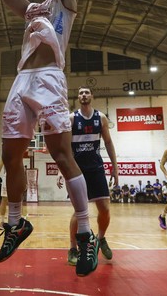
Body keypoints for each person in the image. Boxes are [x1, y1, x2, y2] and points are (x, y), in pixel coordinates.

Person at [0, 0, 98, 277]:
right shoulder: (33, 9)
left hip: (51, 81)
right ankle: (17, 221)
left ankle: (86, 232)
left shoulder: (65, 4)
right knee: (10, 156)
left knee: (61, 154)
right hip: (22, 81)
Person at [66, 86, 119, 266]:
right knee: (79, 211)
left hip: (96, 168)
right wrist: (61, 170)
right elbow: (65, 148)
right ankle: (73, 248)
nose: (83, 95)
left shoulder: (101, 117)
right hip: (77, 170)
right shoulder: (72, 118)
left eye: (86, 92)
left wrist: (115, 167)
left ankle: (101, 238)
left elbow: (109, 142)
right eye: (80, 93)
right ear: (78, 97)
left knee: (104, 208)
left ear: (92, 96)